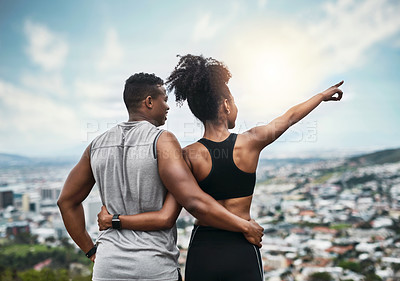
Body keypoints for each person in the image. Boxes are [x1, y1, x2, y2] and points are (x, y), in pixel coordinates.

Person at [57, 72, 263, 281]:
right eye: (164, 99)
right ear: (149, 102)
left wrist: (91, 251)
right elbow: (187, 205)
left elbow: (66, 202)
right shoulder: (161, 141)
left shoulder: (97, 145)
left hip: (107, 266)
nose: (167, 106)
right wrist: (245, 226)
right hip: (154, 265)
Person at [166, 54, 344, 281]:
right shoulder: (251, 142)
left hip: (204, 246)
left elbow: (190, 203)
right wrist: (320, 96)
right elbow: (288, 118)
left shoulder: (188, 154)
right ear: (226, 105)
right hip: (242, 242)